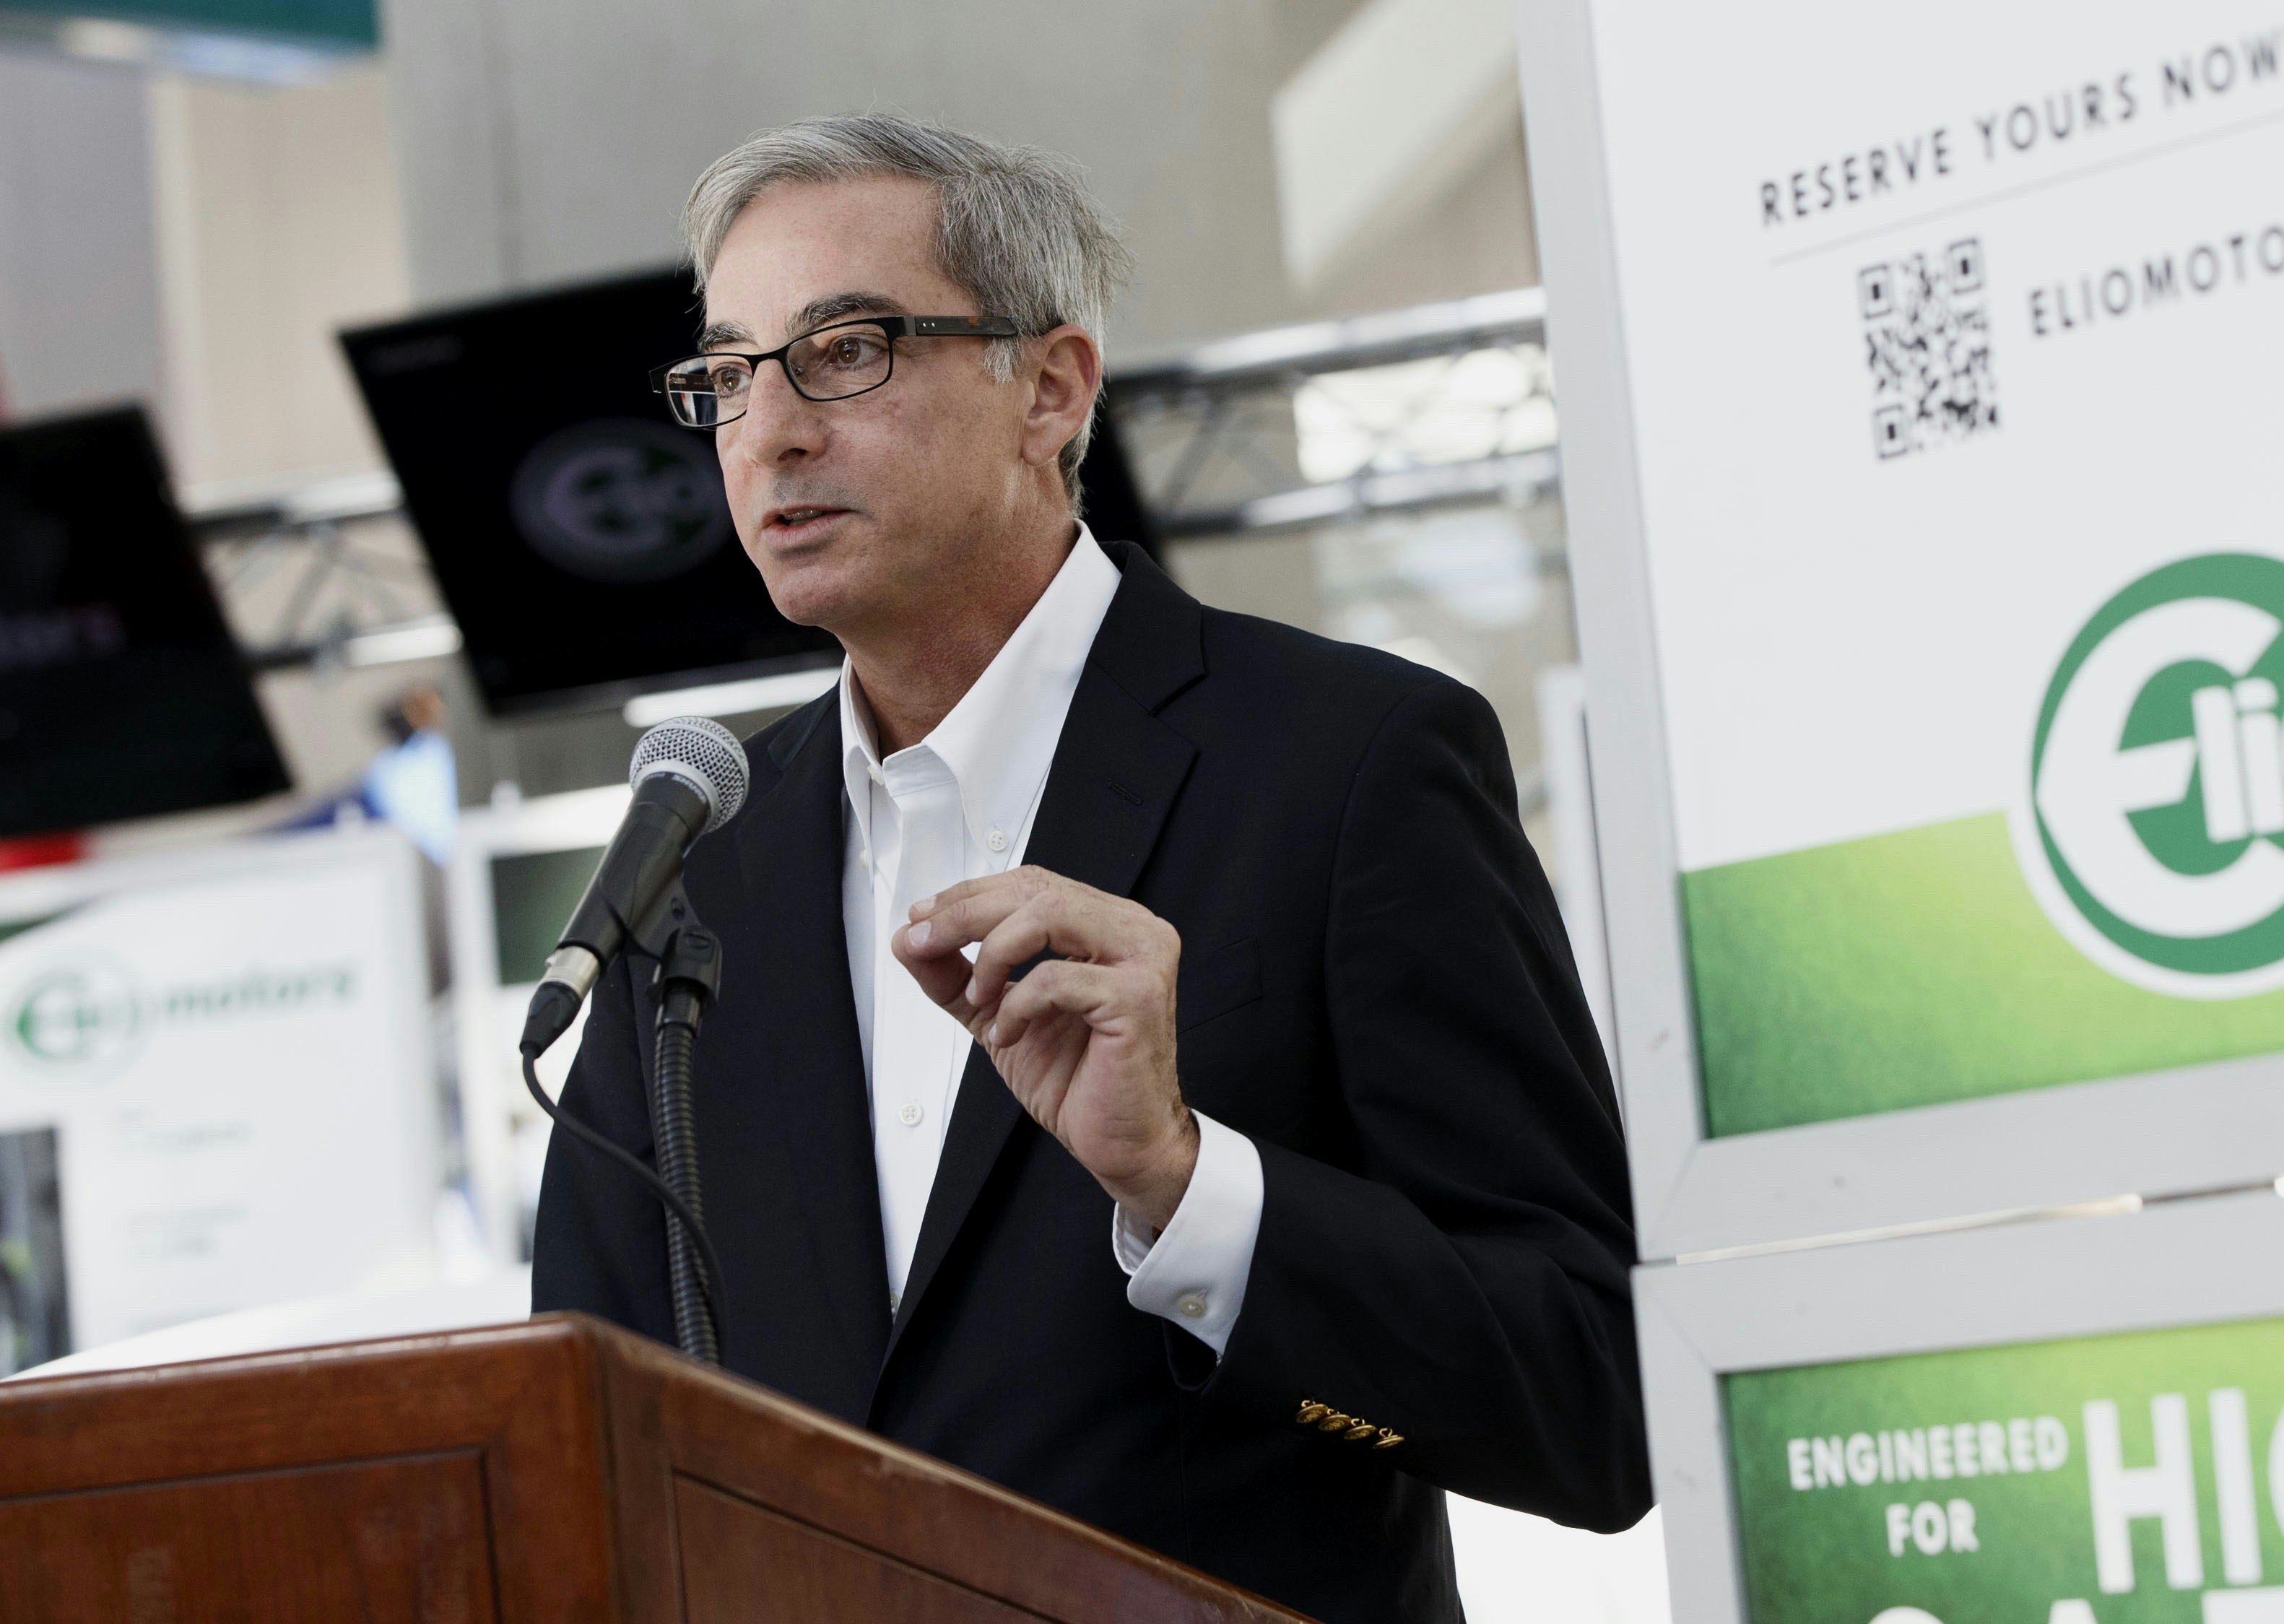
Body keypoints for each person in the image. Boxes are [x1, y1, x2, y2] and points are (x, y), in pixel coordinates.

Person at [530, 114, 1650, 1620]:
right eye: (728, 374)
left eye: (845, 349)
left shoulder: (1348, 764)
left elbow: (1590, 1398)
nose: (771, 430)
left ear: (1049, 388)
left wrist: (1189, 1188)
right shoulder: (696, 860)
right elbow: (574, 1454)